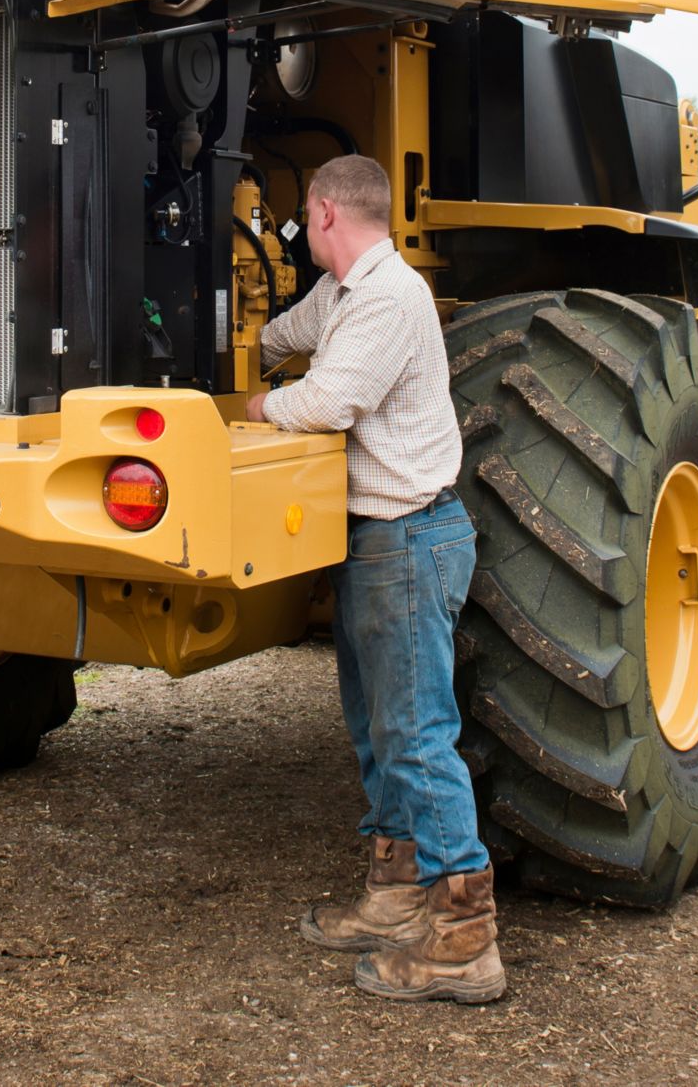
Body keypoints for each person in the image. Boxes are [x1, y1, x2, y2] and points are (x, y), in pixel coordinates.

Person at [244, 153, 504, 1005]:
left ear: (322, 214)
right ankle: (396, 893)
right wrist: (231, 340)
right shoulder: (343, 294)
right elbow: (284, 335)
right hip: (372, 541)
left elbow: (326, 401)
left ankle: (464, 936)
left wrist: (248, 408)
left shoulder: (391, 297)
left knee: (418, 733)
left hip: (408, 535)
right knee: (374, 724)